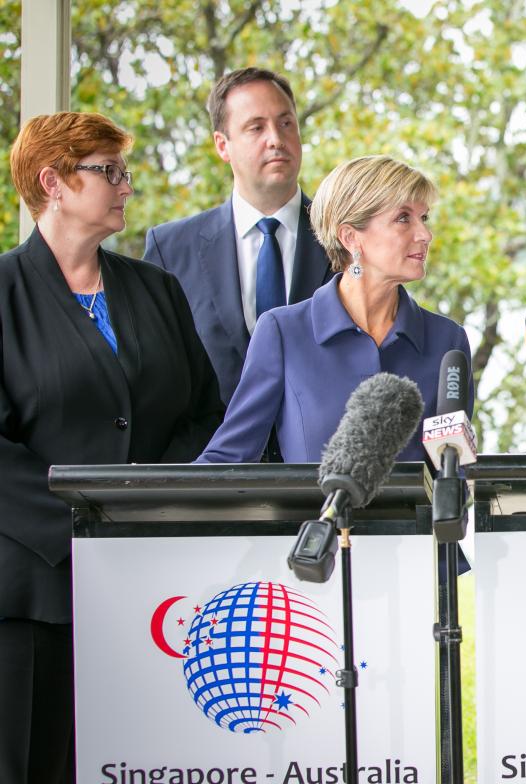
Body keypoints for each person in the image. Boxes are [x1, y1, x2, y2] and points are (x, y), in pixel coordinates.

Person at [0, 112, 223, 783]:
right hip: (33, 592)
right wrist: (85, 521)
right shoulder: (2, 293)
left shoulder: (157, 289)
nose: (127, 186)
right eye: (109, 171)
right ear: (54, 182)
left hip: (149, 582)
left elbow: (206, 414)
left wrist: (145, 511)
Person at [196, 155, 470, 464]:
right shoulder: (283, 332)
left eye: (425, 218)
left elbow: (452, 468)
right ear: (351, 236)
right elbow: (230, 456)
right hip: (312, 515)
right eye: (404, 218)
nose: (424, 234)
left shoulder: (448, 341)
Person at [144, 68, 332, 407]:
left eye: (286, 123)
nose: (276, 138)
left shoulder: (347, 238)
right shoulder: (169, 250)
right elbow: (155, 376)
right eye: (256, 127)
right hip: (211, 455)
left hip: (324, 457)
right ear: (222, 145)